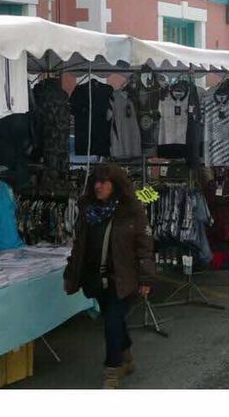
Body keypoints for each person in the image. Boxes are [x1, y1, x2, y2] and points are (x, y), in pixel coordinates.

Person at [63, 164, 155, 389]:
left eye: (103, 182)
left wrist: (146, 279)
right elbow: (79, 245)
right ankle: (127, 356)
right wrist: (71, 273)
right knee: (113, 320)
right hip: (95, 278)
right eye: (95, 181)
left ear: (115, 185)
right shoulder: (88, 211)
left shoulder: (131, 211)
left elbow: (144, 246)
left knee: (112, 323)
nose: (98, 186)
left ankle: (111, 371)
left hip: (123, 279)